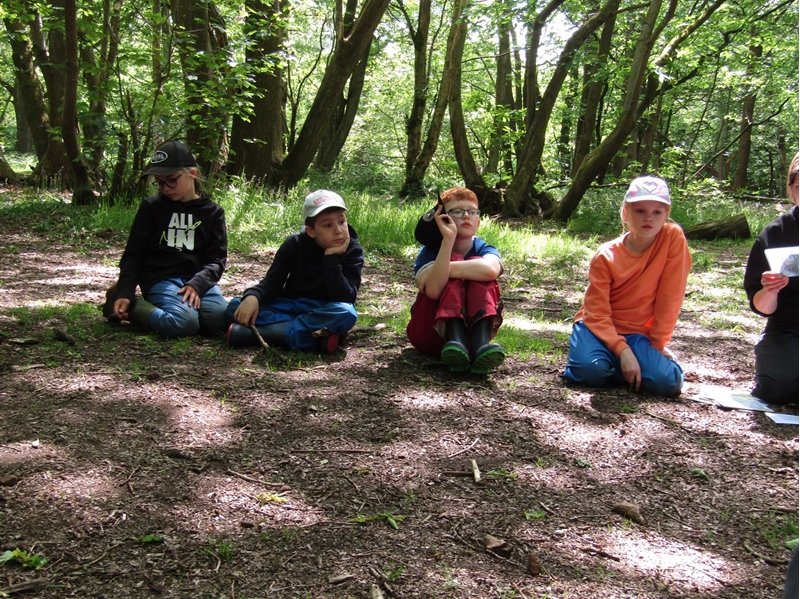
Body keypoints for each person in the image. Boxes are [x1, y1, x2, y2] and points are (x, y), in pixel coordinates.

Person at [563, 175, 692, 397]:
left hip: (637, 332)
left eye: (657, 212)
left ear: (666, 215)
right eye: (640, 211)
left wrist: (657, 345)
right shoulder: (606, 255)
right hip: (597, 327)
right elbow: (596, 313)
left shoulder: (672, 238)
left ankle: (626, 363)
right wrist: (623, 351)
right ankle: (614, 360)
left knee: (667, 384)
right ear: (625, 213)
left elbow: (671, 296)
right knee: (590, 372)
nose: (648, 218)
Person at [102, 140, 228, 337]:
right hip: (161, 279)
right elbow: (134, 254)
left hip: (197, 280)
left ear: (191, 173)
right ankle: (128, 305)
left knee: (218, 319)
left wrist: (197, 284)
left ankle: (184, 311)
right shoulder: (152, 207)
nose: (165, 188)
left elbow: (216, 260)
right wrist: (126, 290)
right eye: (159, 183)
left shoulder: (213, 213)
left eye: (171, 180)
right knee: (184, 323)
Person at [226, 190, 364, 353]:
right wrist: (253, 296)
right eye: (328, 225)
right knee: (235, 307)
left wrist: (331, 259)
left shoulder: (353, 251)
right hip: (290, 304)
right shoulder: (295, 244)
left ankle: (266, 333)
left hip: (324, 308)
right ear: (311, 231)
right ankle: (314, 337)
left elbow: (346, 297)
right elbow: (273, 282)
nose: (338, 230)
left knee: (346, 313)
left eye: (341, 221)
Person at [406, 187, 505, 374]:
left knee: (480, 272)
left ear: (478, 221)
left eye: (472, 212)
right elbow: (434, 290)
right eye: (457, 211)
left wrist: (443, 270)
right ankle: (455, 339)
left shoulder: (484, 248)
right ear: (443, 218)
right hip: (429, 334)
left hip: (472, 340)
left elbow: (491, 270)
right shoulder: (430, 251)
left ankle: (479, 344)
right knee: (463, 263)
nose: (466, 216)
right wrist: (448, 241)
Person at [743, 152, 798, 405]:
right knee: (778, 386)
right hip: (789, 328)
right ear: (791, 189)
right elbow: (762, 307)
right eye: (799, 187)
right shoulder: (776, 234)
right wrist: (770, 290)